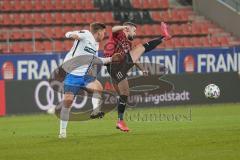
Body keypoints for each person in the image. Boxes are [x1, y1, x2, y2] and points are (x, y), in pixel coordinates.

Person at [104, 22, 171, 132]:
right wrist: (123, 27)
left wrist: (141, 69)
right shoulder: (118, 34)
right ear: (127, 29)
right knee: (141, 48)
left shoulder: (128, 43)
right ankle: (163, 37)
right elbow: (113, 29)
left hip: (119, 66)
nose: (135, 33)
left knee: (124, 94)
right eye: (133, 30)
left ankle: (120, 121)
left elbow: (132, 57)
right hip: (113, 65)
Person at [58, 22, 120, 138]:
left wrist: (111, 59)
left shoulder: (95, 45)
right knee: (68, 102)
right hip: (72, 74)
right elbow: (69, 33)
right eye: (104, 33)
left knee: (98, 87)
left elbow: (95, 60)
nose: (104, 35)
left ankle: (95, 111)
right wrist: (72, 35)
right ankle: (62, 131)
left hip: (85, 75)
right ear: (99, 32)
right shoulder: (86, 34)